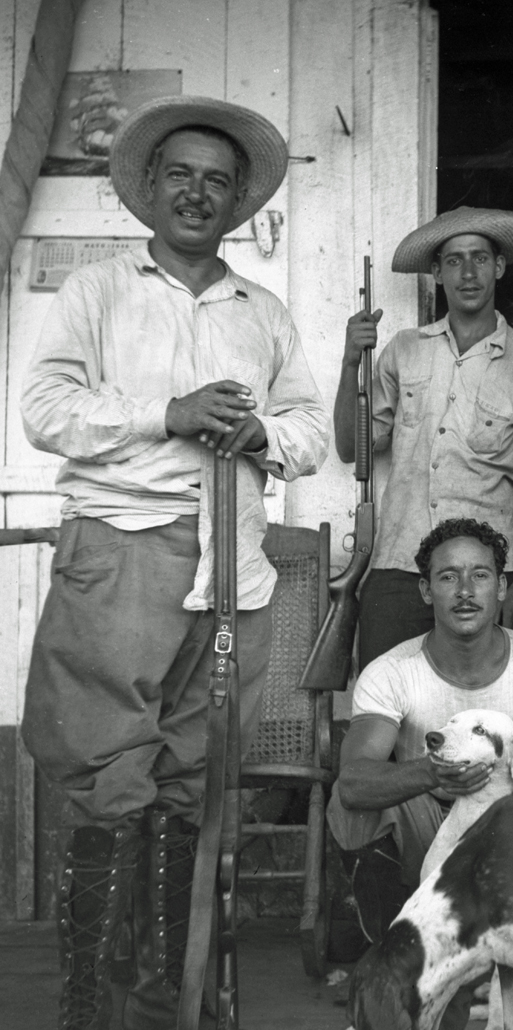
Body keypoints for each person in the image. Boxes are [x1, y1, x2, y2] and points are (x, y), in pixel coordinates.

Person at [19, 95, 330, 1030]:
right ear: (150, 189)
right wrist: (169, 412)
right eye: (181, 177)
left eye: (218, 183)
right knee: (111, 779)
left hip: (234, 566)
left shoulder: (262, 311)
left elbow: (312, 431)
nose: (198, 195)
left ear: (239, 204)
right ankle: (89, 1009)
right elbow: (43, 409)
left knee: (191, 781)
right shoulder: (98, 293)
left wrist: (259, 431)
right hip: (121, 555)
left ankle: (169, 999)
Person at [335, 207, 513, 667]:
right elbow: (350, 448)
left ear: (499, 266)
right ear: (436, 272)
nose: (469, 272)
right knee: (387, 706)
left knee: (485, 716)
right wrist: (348, 363)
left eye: (480, 257)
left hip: (492, 571)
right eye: (454, 260)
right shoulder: (403, 349)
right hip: (399, 565)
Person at [327, 517, 513, 890]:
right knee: (351, 811)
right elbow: (352, 782)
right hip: (425, 821)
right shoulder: (392, 671)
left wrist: (503, 815)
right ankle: (400, 936)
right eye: (448, 577)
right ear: (426, 590)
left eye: (480, 575)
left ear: (502, 586)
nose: (464, 591)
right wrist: (433, 773)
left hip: (503, 822)